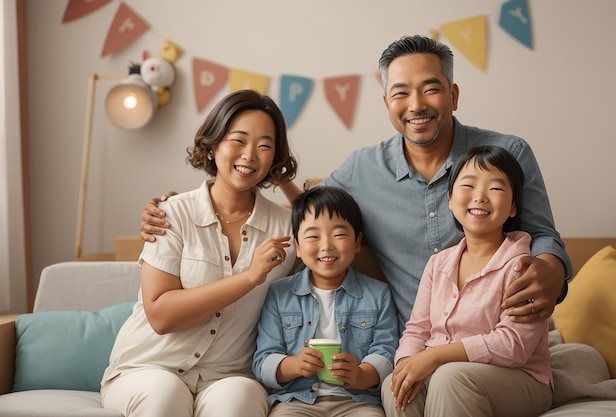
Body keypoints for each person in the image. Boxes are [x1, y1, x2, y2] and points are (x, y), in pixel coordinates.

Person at [139, 34, 571, 332]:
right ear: (387, 103)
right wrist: (178, 205)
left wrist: (552, 268)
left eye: (430, 89)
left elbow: (545, 235)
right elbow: (312, 207)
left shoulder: (508, 153)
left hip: (506, 332)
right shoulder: (363, 170)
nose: (416, 105)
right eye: (401, 93)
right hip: (415, 343)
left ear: (453, 95)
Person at [100, 89, 298, 417]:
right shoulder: (171, 214)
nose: (250, 155)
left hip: (228, 375)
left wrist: (282, 177)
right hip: (148, 366)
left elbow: (334, 216)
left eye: (265, 145)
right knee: (164, 398)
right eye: (238, 140)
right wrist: (249, 277)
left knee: (240, 402)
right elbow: (162, 316)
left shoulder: (287, 226)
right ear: (213, 144)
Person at [383, 145, 552, 417]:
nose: (480, 197)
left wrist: (434, 356)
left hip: (519, 380)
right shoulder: (438, 264)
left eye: (495, 189)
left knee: (450, 378)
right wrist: (407, 364)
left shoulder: (522, 265)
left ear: (512, 208)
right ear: (450, 199)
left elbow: (514, 346)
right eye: (468, 186)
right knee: (394, 385)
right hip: (444, 373)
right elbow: (417, 330)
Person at [253, 186, 398, 416]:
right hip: (295, 400)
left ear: (357, 242)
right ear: (298, 247)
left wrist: (363, 374)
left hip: (358, 402)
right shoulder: (280, 293)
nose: (326, 245)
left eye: (339, 234)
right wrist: (293, 365)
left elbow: (386, 350)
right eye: (313, 236)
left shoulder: (378, 294)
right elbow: (263, 358)